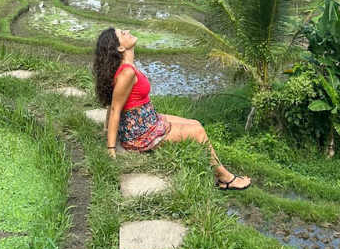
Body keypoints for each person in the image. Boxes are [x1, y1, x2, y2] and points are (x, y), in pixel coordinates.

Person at [94, 26, 251, 190]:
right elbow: (115, 109)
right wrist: (111, 148)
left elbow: (112, 101)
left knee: (196, 123)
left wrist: (106, 128)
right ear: (120, 48)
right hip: (140, 132)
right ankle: (225, 178)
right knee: (198, 133)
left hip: (146, 119)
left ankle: (223, 175)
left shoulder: (128, 67)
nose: (126, 31)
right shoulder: (127, 72)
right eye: (122, 34)